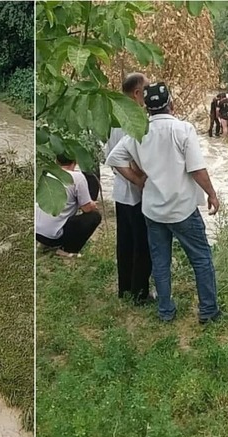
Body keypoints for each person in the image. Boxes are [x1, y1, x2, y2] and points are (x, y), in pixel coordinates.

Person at [106, 82, 222, 324]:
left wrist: (137, 179)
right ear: (171, 104)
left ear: (146, 107)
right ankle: (208, 311)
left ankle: (166, 311)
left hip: (153, 209)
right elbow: (197, 169)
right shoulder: (183, 130)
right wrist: (211, 193)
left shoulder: (139, 131)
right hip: (182, 209)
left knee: (160, 262)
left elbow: (114, 157)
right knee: (201, 259)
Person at [104, 73, 154, 304]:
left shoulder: (115, 114)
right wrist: (140, 179)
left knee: (124, 242)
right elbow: (130, 157)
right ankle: (140, 294)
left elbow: (108, 155)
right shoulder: (133, 118)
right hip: (135, 192)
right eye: (147, 89)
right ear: (137, 93)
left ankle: (124, 288)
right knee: (141, 244)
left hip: (120, 191)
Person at [36, 154, 101, 258]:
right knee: (94, 217)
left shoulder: (47, 174)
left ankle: (44, 244)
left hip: (37, 232)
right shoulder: (77, 177)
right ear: (75, 161)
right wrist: (92, 204)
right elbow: (87, 208)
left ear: (56, 160)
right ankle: (67, 250)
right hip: (53, 236)